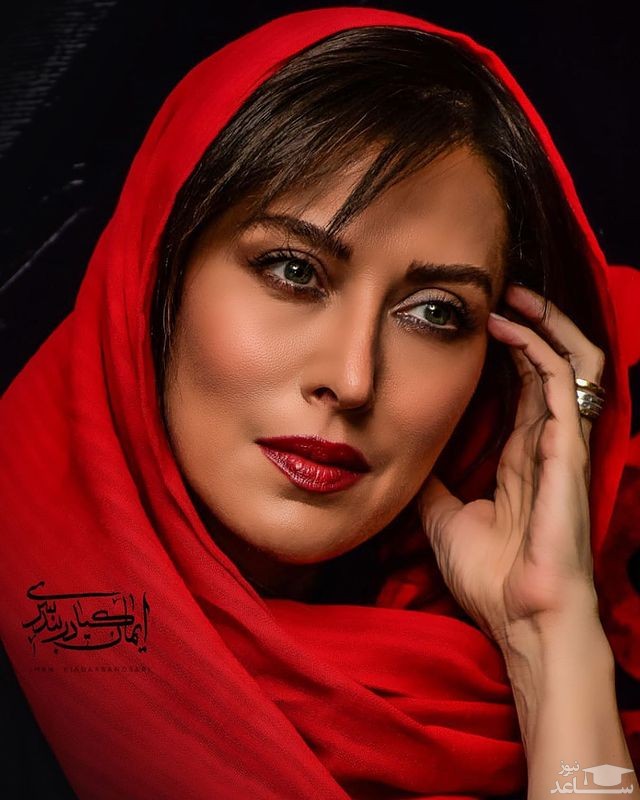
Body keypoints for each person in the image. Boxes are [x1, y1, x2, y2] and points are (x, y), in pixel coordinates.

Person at [1, 6, 639, 798]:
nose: (353, 378)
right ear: (157, 276)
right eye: (294, 271)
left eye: (434, 312)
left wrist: (549, 637)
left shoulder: (487, 696)